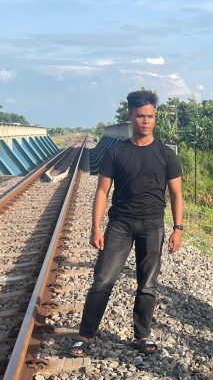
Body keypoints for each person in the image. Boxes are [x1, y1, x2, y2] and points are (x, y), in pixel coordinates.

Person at [69, 90, 183, 357]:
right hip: (120, 224)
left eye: (151, 116)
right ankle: (85, 335)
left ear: (155, 117)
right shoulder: (116, 152)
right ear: (130, 116)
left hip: (153, 225)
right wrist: (96, 227)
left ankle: (142, 335)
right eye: (141, 116)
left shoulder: (166, 154)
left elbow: (177, 193)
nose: (146, 121)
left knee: (147, 284)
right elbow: (102, 191)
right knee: (103, 280)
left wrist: (178, 229)